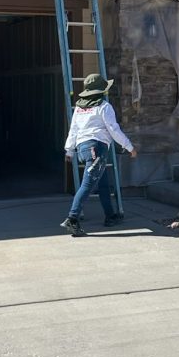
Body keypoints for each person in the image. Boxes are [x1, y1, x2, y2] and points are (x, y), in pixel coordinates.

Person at [62, 73, 136, 235]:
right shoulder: (104, 106)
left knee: (102, 183)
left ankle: (110, 216)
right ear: (101, 91)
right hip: (97, 149)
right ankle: (72, 218)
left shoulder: (79, 108)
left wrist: (69, 150)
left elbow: (73, 129)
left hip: (83, 149)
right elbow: (113, 129)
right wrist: (129, 147)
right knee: (87, 185)